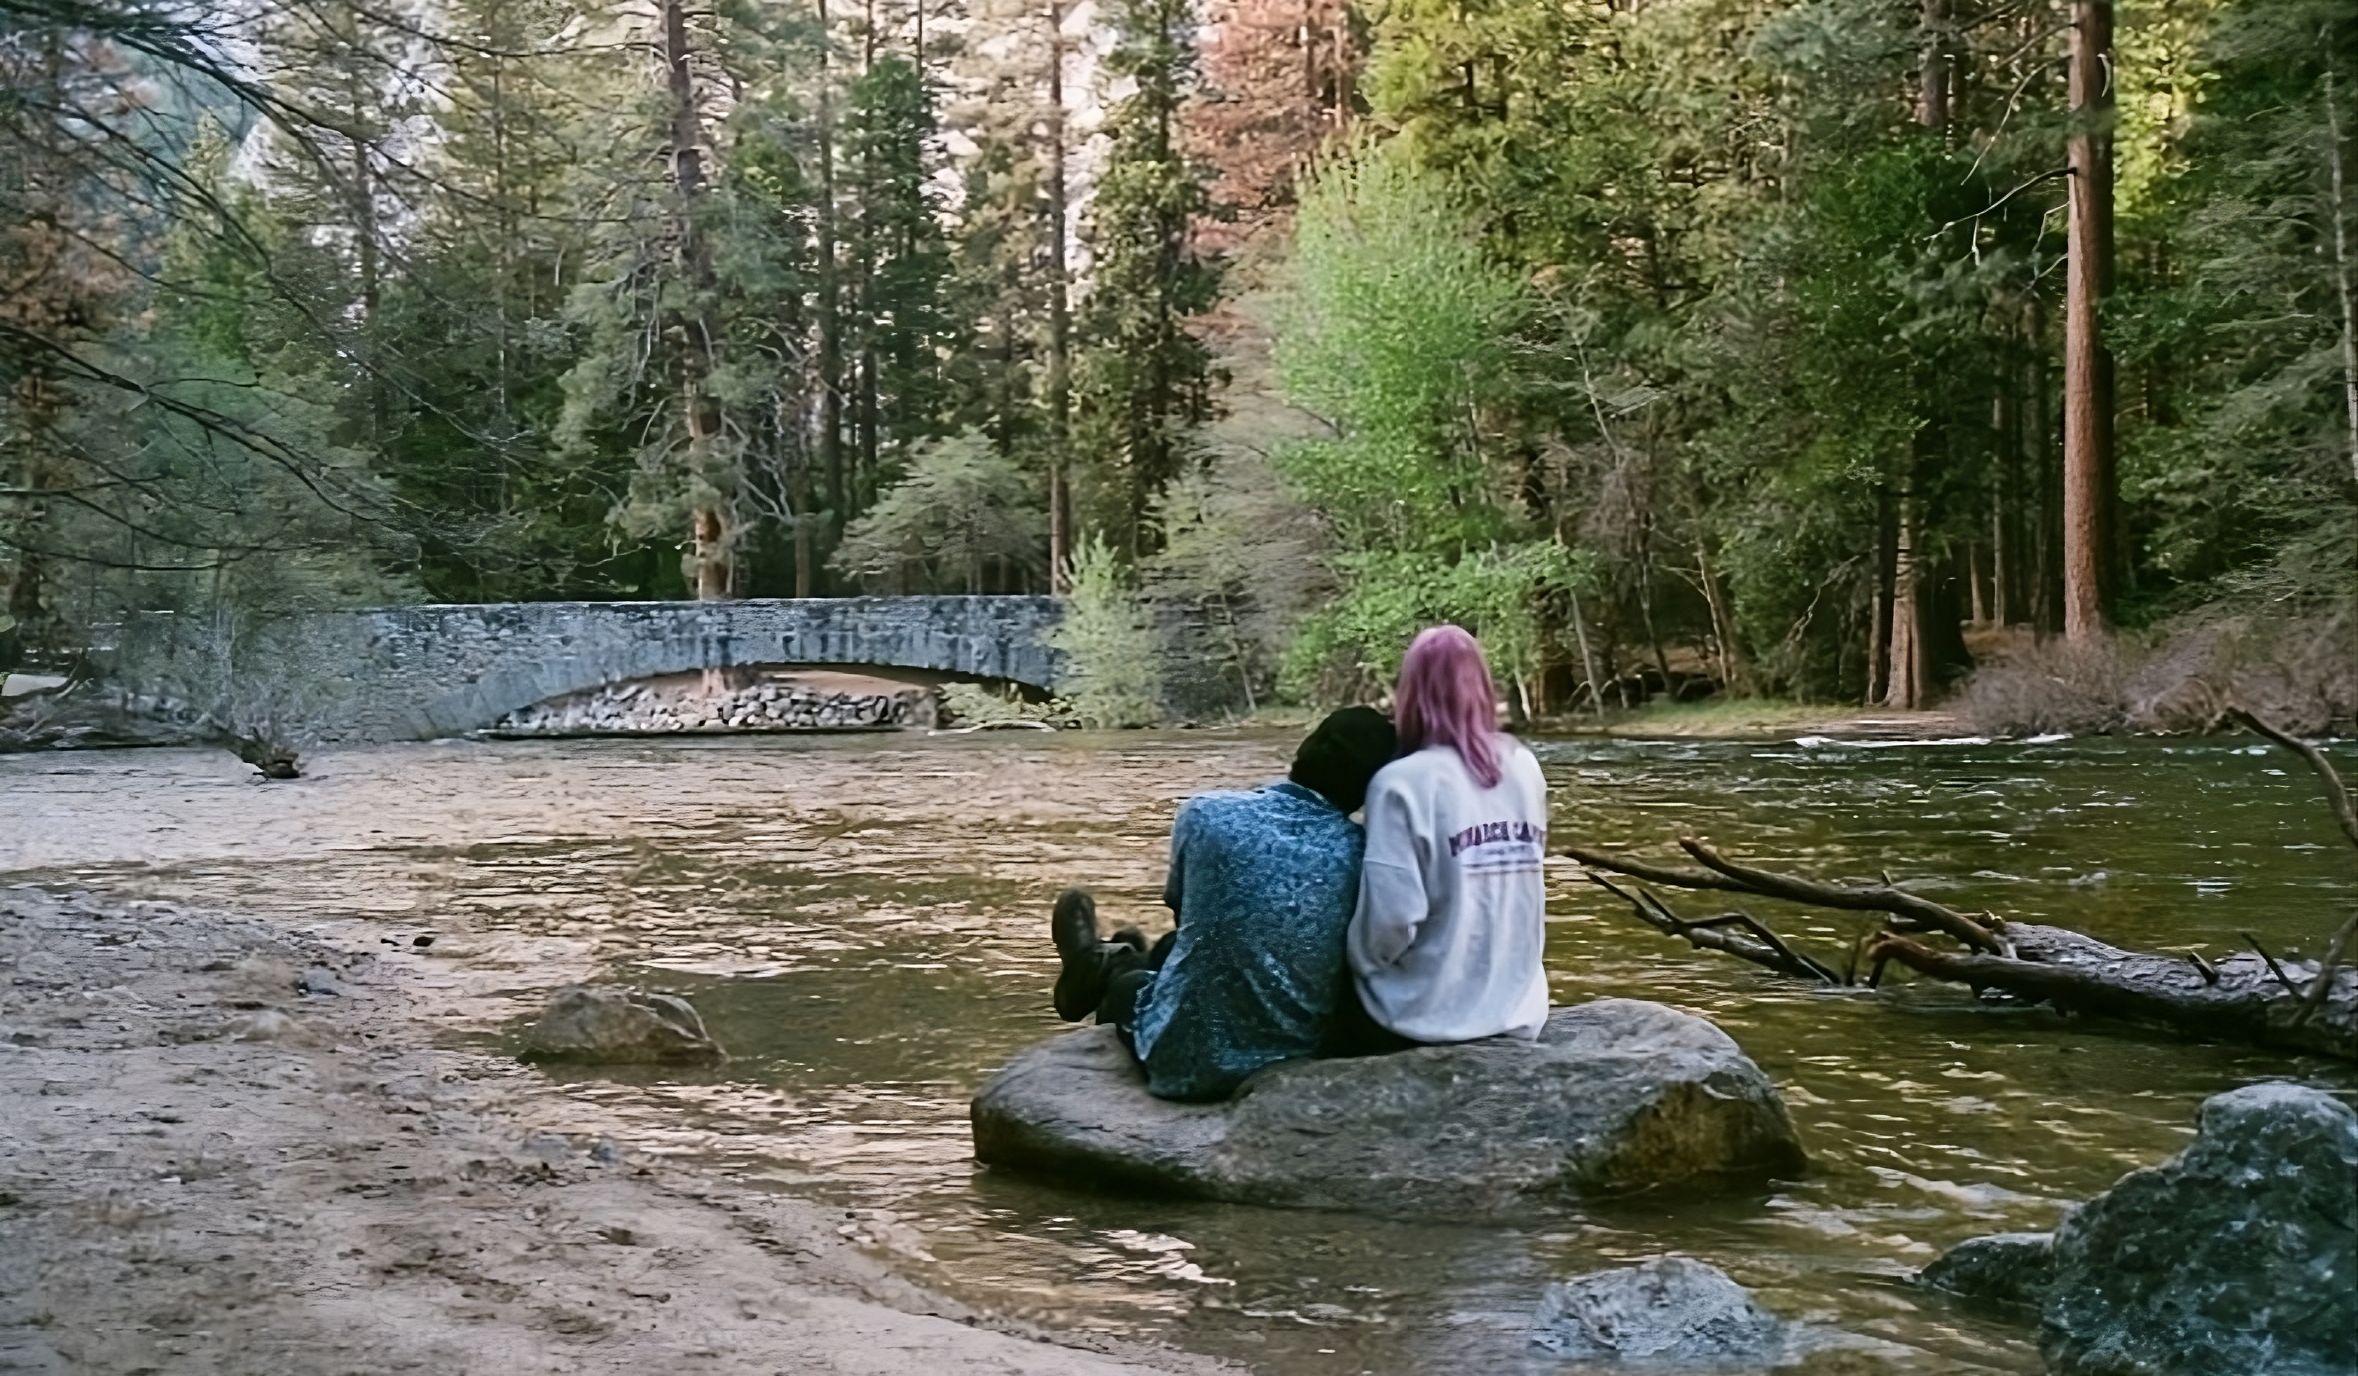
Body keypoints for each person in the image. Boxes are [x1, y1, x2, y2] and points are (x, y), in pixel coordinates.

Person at [1047, 706, 1398, 1101]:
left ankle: (1102, 965)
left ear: (1302, 752)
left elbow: (1186, 913)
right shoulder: (1363, 852)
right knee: (1174, 949)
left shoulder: (1205, 814)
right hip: (1291, 1059)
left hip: (1186, 1063)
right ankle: (1112, 958)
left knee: (1133, 984)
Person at [1347, 625, 1551, 1044]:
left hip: (1425, 1013)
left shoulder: (1399, 782)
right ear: (1481, 687)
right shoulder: (1524, 765)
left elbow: (1392, 918)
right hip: (1520, 1007)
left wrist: (1357, 962)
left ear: (1411, 692)